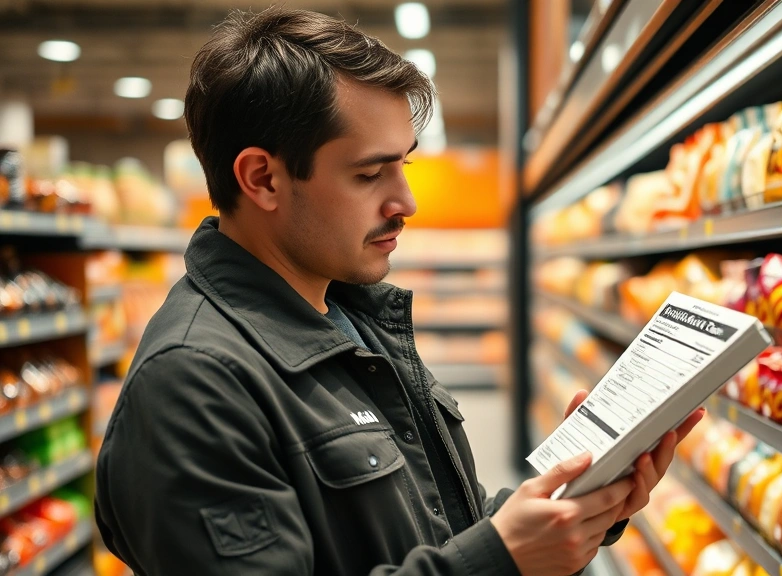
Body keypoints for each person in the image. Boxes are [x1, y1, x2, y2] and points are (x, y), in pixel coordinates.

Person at [94, 7, 704, 576]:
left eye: (404, 166)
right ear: (262, 178)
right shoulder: (193, 385)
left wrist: (574, 505)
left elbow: (429, 528)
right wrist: (498, 561)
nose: (406, 203)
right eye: (368, 174)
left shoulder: (350, 320)